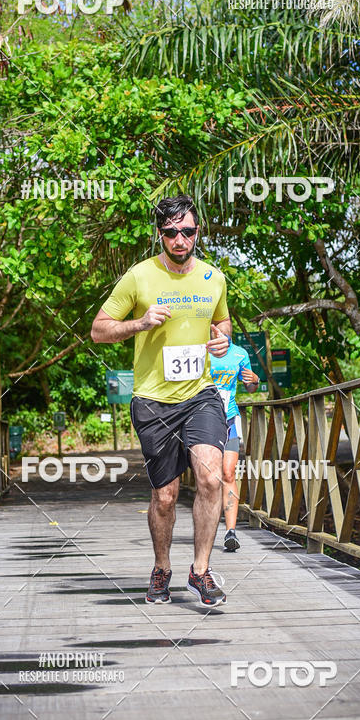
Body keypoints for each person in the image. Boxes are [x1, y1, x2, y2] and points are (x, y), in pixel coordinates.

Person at [90, 194, 232, 607]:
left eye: (187, 231)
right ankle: (162, 568)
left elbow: (221, 322)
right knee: (165, 496)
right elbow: (99, 330)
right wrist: (140, 322)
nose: (180, 239)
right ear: (160, 235)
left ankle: (201, 572)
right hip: (153, 401)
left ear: (197, 232)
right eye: (171, 232)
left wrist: (222, 341)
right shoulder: (138, 277)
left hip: (200, 394)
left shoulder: (213, 278)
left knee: (210, 477)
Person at [209, 343, 259, 551]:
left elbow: (250, 387)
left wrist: (255, 381)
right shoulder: (197, 347)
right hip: (203, 421)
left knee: (229, 473)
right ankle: (207, 528)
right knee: (209, 477)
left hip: (229, 418)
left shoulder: (239, 353)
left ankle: (231, 532)